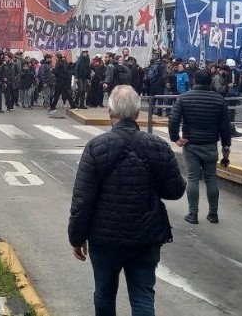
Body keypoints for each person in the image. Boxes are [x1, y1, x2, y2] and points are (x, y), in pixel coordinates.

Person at [68, 86, 186, 316]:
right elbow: (175, 190)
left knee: (104, 293)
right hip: (146, 236)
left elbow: (82, 199)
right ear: (137, 114)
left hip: (104, 238)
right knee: (143, 296)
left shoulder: (96, 147)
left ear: (110, 112)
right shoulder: (158, 146)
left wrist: (76, 237)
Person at [168, 70, 231, 224]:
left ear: (194, 80)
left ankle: (193, 214)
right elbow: (225, 127)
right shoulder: (219, 100)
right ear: (210, 81)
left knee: (193, 178)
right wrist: (225, 147)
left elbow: (173, 120)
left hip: (191, 145)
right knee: (211, 179)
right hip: (210, 145)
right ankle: (213, 214)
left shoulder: (184, 98)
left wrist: (176, 138)